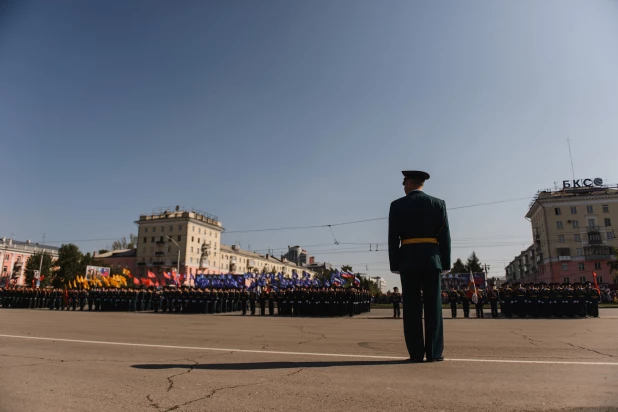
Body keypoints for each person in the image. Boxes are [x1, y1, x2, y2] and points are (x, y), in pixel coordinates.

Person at [388, 170, 451, 363]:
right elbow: (445, 236)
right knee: (434, 307)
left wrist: (395, 263)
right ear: (422, 184)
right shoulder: (438, 203)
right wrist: (446, 263)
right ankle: (434, 353)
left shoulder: (397, 205)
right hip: (432, 259)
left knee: (412, 308)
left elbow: (392, 237)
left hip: (408, 259)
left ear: (408, 184)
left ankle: (416, 353)